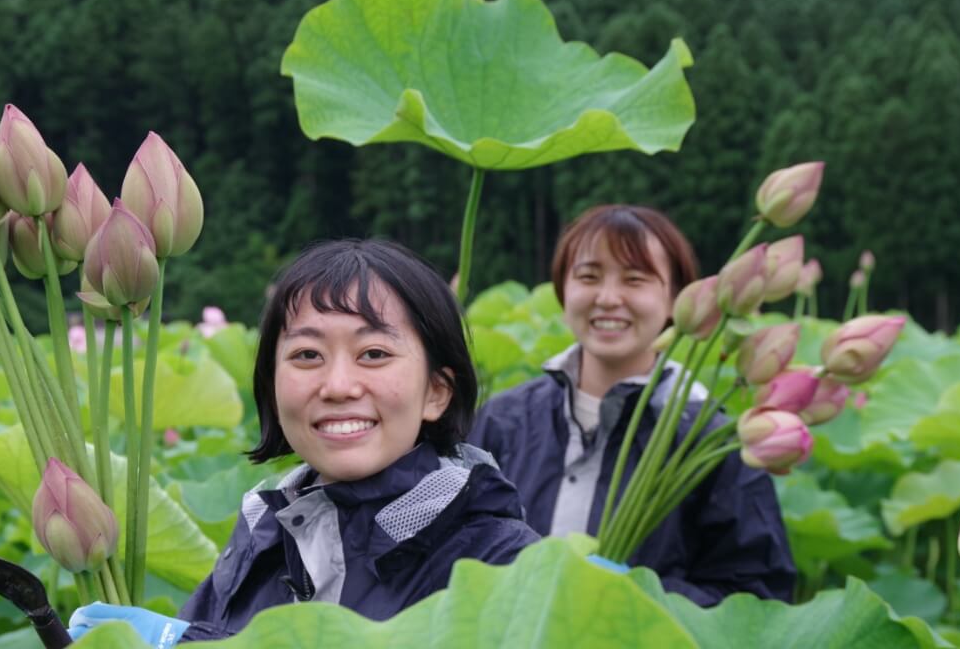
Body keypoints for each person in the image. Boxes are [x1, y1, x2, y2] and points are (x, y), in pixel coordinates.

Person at [69, 239, 539, 645]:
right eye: (307, 355)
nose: (337, 385)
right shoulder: (261, 537)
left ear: (437, 392)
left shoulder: (501, 564)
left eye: (373, 353)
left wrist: (193, 645)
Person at [468, 205, 796, 606]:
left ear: (678, 298)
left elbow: (756, 599)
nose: (608, 298)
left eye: (634, 279)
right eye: (588, 277)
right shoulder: (504, 418)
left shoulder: (709, 441)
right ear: (562, 289)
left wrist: (644, 595)